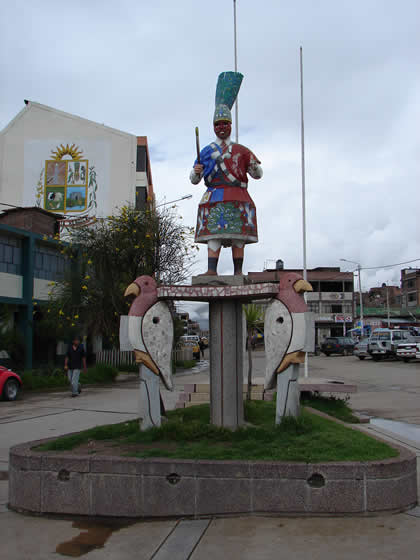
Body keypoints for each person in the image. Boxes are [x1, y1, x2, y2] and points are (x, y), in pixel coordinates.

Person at [190, 71, 263, 276]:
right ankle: (211, 270)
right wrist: (197, 172)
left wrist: (255, 168)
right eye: (218, 124)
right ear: (214, 127)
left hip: (238, 194)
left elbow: (258, 173)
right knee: (214, 235)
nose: (221, 127)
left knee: (238, 237)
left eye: (225, 123)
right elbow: (195, 179)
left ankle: (238, 272)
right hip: (214, 195)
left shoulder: (242, 150)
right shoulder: (206, 151)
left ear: (230, 125)